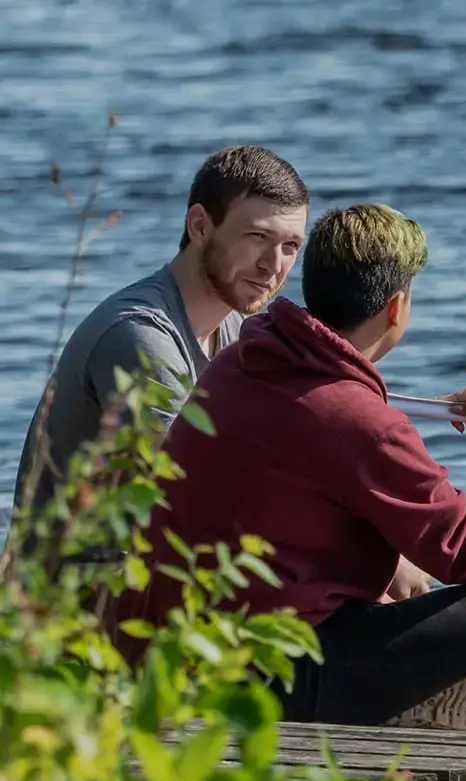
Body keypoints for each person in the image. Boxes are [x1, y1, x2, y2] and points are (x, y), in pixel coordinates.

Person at [113, 204, 466, 730]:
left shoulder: (241, 361)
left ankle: (407, 693)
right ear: (396, 306)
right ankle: (400, 702)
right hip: (268, 680)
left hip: (169, 656)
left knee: (399, 590)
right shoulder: (365, 424)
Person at [10, 145, 309, 526]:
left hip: (169, 565)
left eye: (290, 246)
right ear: (200, 226)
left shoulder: (235, 328)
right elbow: (200, 491)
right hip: (85, 580)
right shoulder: (139, 335)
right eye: (256, 236)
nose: (274, 265)